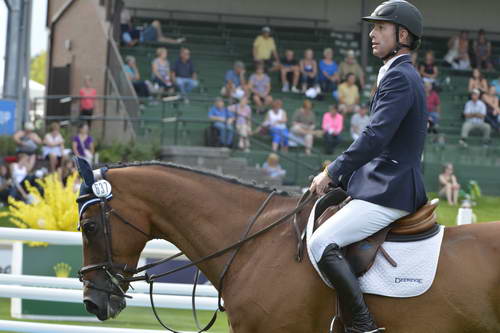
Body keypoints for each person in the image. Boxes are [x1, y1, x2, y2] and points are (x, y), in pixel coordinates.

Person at [309, 2, 427, 331]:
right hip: (381, 181)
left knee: (321, 243)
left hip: (391, 189)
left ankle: (362, 325)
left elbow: (375, 137)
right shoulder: (394, 72)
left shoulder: (401, 77)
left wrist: (332, 171)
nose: (372, 34)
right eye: (372, 27)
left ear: (402, 35)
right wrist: (341, 178)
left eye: (380, 28)